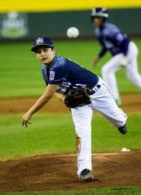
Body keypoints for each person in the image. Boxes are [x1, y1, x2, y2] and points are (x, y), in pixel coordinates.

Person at [21, 37, 128, 182]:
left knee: (117, 119)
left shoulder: (59, 65)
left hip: (98, 92)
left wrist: (29, 112)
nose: (42, 54)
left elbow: (47, 95)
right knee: (82, 131)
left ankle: (121, 122)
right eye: (38, 51)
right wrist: (65, 99)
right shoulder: (44, 69)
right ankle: (85, 170)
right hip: (79, 102)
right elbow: (56, 92)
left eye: (45, 50)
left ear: (53, 50)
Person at [91, 7, 141, 106]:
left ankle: (114, 99)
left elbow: (125, 42)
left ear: (103, 19)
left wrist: (126, 58)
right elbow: (106, 46)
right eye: (95, 17)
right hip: (124, 52)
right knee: (134, 77)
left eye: (98, 17)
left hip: (128, 50)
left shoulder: (110, 29)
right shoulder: (98, 31)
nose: (96, 19)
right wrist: (98, 58)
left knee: (106, 69)